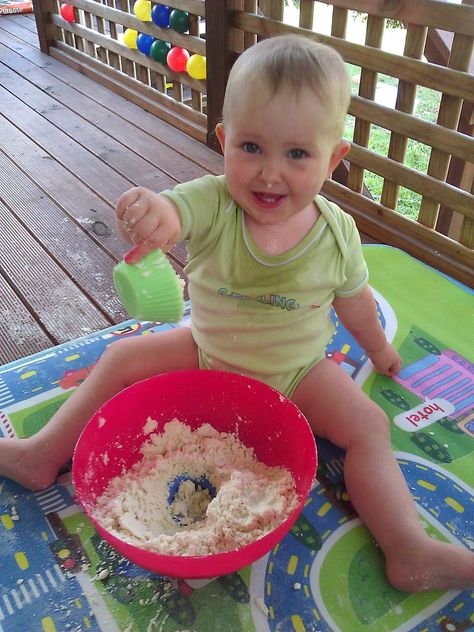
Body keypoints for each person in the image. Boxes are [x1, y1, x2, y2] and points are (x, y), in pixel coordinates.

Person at [1, 34, 472, 593]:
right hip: (206, 354)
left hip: (297, 374)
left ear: (334, 158)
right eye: (251, 147)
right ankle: (41, 454)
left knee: (369, 425)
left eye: (297, 154)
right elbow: (175, 213)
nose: (270, 174)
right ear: (224, 141)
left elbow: (355, 302)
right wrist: (154, 213)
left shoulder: (338, 233)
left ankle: (407, 548)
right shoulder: (214, 200)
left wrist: (379, 349)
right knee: (124, 353)